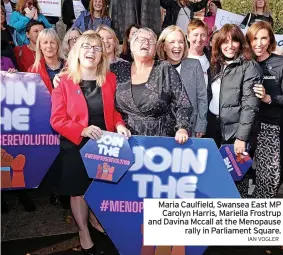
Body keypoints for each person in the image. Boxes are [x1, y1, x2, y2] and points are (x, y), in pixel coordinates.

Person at [50, 30, 130, 254]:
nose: (91, 52)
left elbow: (113, 111)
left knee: (98, 187)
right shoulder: (64, 81)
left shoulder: (109, 79)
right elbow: (57, 120)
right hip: (75, 143)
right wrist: (82, 130)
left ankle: (95, 220)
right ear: (77, 51)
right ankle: (83, 231)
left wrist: (119, 125)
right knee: (78, 191)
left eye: (96, 48)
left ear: (102, 55)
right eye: (86, 46)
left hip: (102, 143)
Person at [114, 27, 193, 142]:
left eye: (151, 41)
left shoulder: (164, 68)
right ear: (132, 45)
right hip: (125, 139)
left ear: (155, 49)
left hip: (159, 141)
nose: (146, 42)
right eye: (141, 39)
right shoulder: (119, 69)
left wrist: (182, 128)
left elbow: (183, 103)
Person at [206, 24, 262, 153]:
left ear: (241, 43)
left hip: (234, 134)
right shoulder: (216, 65)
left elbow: (250, 105)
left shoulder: (250, 67)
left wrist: (241, 138)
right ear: (219, 44)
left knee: (232, 172)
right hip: (214, 127)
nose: (230, 46)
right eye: (225, 41)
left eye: (234, 41)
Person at [246, 21, 283, 198]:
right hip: (246, 128)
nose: (258, 43)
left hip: (271, 128)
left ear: (270, 41)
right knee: (242, 176)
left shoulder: (279, 64)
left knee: (269, 180)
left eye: (263, 38)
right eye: (255, 38)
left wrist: (269, 98)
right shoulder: (246, 63)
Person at [156, 25, 207, 138]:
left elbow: (202, 97)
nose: (177, 46)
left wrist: (201, 124)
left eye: (181, 42)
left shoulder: (194, 65)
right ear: (163, 46)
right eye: (172, 42)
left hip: (189, 127)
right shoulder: (156, 68)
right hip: (162, 130)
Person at [28, 28, 65, 93]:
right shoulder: (33, 70)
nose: (49, 46)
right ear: (40, 46)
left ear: (58, 45)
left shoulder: (70, 66)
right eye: (45, 42)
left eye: (52, 42)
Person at [187, 19, 211, 88]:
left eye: (203, 35)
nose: (199, 39)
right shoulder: (180, 58)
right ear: (188, 37)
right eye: (195, 35)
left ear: (206, 38)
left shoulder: (211, 59)